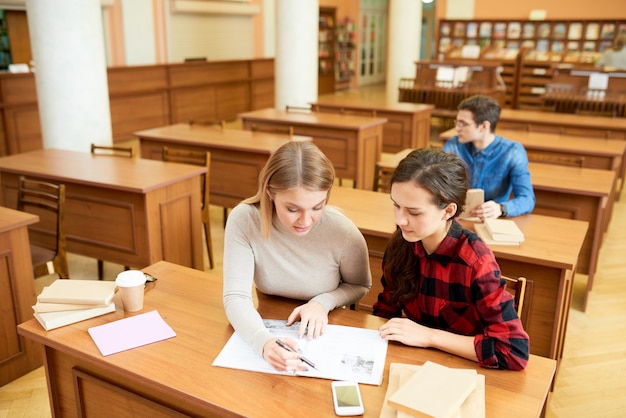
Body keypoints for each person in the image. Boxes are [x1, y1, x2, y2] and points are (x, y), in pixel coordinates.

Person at [372, 148, 529, 370]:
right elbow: (385, 312)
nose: (400, 221)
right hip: (413, 364)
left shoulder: (475, 261)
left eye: (414, 213)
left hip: (465, 372)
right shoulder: (401, 244)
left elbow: (513, 352)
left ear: (448, 211)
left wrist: (429, 337)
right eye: (396, 205)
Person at [223, 140, 372, 372]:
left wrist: (322, 302)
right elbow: (236, 296)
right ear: (270, 193)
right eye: (292, 209)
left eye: (317, 207)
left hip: (325, 332)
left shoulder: (342, 231)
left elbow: (360, 285)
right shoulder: (244, 220)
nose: (305, 221)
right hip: (266, 317)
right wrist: (263, 342)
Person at [442, 95, 535, 220]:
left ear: (484, 126)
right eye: (457, 122)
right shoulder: (453, 146)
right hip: (454, 219)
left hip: (491, 221)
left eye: (462, 124)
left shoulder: (513, 152)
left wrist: (500, 208)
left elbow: (527, 199)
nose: (456, 128)